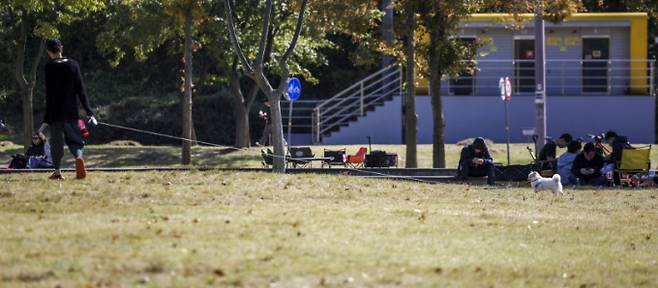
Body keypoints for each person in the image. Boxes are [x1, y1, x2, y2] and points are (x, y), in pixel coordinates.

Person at [39, 38, 97, 180]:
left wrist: (46, 120)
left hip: (55, 114)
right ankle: (78, 157)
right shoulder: (73, 65)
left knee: (56, 143)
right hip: (71, 112)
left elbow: (50, 94)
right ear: (61, 48)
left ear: (48, 52)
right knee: (76, 140)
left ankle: (57, 172)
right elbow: (81, 90)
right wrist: (90, 113)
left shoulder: (49, 67)